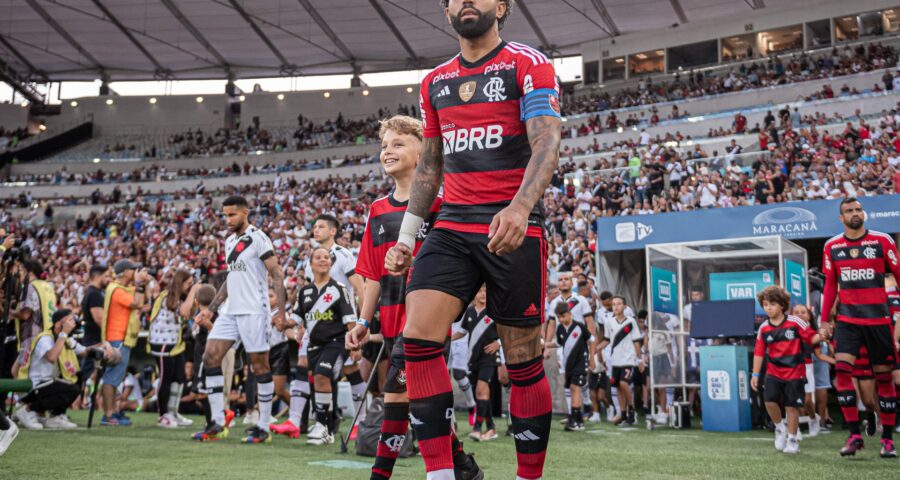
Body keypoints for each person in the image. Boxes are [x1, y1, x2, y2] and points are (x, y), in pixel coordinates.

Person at [385, 1, 562, 477]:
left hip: (511, 225)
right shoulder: (434, 81)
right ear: (445, 13)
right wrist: (407, 236)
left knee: (522, 361)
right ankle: (443, 473)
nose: (466, 1)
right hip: (452, 226)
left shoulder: (528, 63)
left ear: (501, 6)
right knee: (419, 339)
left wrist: (522, 207)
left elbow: (547, 141)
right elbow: (430, 165)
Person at [344, 115, 477, 480]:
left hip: (428, 321)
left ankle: (380, 475)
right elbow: (371, 275)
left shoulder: (442, 203)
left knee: (396, 398)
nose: (388, 150)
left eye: (398, 143)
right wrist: (361, 321)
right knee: (423, 405)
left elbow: (454, 263)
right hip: (389, 321)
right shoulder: (377, 210)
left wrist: (414, 260)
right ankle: (464, 466)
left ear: (424, 154)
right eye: (385, 145)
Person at [192, 195, 287, 444]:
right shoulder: (230, 241)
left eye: (232, 214)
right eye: (225, 215)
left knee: (259, 366)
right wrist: (211, 309)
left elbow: (277, 274)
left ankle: (263, 426)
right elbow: (230, 279)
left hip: (255, 310)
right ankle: (217, 421)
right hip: (230, 311)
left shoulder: (258, 238)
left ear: (246, 213)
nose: (228, 219)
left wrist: (282, 313)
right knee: (210, 356)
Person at [821, 197, 900, 457]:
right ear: (840, 218)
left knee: (884, 377)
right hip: (847, 321)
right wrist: (824, 320)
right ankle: (855, 435)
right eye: (849, 211)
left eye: (858, 209)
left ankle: (887, 440)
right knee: (842, 373)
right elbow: (831, 284)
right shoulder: (832, 246)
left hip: (878, 320)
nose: (855, 213)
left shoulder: (882, 241)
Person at [751, 286, 826, 454]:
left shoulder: (795, 322)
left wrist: (822, 335)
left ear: (782, 305)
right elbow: (759, 352)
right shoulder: (763, 328)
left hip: (795, 372)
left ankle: (792, 441)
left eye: (772, 304)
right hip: (773, 371)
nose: (768, 308)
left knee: (791, 407)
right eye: (765, 304)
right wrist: (755, 374)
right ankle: (780, 428)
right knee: (769, 401)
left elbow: (811, 337)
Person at [295, 247, 356, 445]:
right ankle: (327, 431)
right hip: (313, 345)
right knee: (318, 382)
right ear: (310, 264)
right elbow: (296, 319)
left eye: (326, 258)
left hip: (336, 343)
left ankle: (321, 425)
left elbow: (349, 320)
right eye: (318, 258)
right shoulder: (304, 292)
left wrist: (356, 345)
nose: (323, 260)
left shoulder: (339, 289)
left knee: (322, 375)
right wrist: (279, 320)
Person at [15, 309, 110, 430]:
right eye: (70, 320)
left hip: (47, 385)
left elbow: (85, 351)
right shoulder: (45, 339)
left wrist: (103, 345)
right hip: (32, 386)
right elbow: (52, 357)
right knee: (71, 388)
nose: (74, 323)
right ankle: (28, 410)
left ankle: (56, 416)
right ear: (59, 324)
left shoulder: (66, 340)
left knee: (77, 380)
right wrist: (64, 333)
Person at [100, 259, 151, 426]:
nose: (135, 272)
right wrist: (139, 283)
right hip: (116, 338)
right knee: (111, 377)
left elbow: (144, 300)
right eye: (133, 270)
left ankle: (113, 411)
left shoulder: (123, 288)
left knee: (116, 378)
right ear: (124, 272)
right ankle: (108, 415)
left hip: (123, 337)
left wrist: (144, 283)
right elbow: (136, 303)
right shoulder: (115, 289)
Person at [148, 269, 198, 428]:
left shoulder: (181, 297)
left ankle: (173, 412)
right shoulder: (168, 295)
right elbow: (183, 312)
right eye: (188, 284)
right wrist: (194, 292)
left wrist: (194, 297)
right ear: (180, 283)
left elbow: (189, 315)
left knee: (179, 377)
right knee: (166, 379)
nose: (190, 287)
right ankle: (163, 415)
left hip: (175, 343)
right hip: (163, 343)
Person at [455, 285, 500, 442]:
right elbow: (462, 331)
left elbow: (506, 331)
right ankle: (491, 427)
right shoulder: (469, 312)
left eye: (486, 292)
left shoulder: (494, 311)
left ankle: (477, 428)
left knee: (482, 389)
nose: (483, 294)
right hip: (472, 359)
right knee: (481, 393)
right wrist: (445, 338)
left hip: (489, 357)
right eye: (480, 291)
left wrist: (498, 343)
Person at [596, 296, 644, 426]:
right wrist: (596, 348)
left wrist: (640, 359)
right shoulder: (609, 322)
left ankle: (632, 410)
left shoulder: (631, 322)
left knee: (624, 383)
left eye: (619, 304)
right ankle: (623, 415)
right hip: (615, 360)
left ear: (624, 306)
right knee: (617, 386)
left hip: (628, 359)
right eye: (614, 304)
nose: (616, 306)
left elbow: (636, 341)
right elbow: (607, 340)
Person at [549, 302, 592, 432]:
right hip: (569, 364)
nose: (561, 319)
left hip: (580, 361)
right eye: (558, 317)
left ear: (569, 314)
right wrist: (545, 345)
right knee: (572, 389)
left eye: (563, 316)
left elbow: (592, 340)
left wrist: (592, 359)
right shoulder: (560, 329)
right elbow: (559, 343)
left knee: (575, 387)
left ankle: (574, 418)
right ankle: (578, 420)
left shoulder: (579, 326)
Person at [79, 265, 110, 401]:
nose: (109, 280)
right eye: (107, 276)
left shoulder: (94, 292)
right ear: (98, 276)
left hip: (94, 340)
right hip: (94, 342)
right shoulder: (94, 294)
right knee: (85, 374)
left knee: (90, 374)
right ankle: (70, 403)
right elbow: (99, 319)